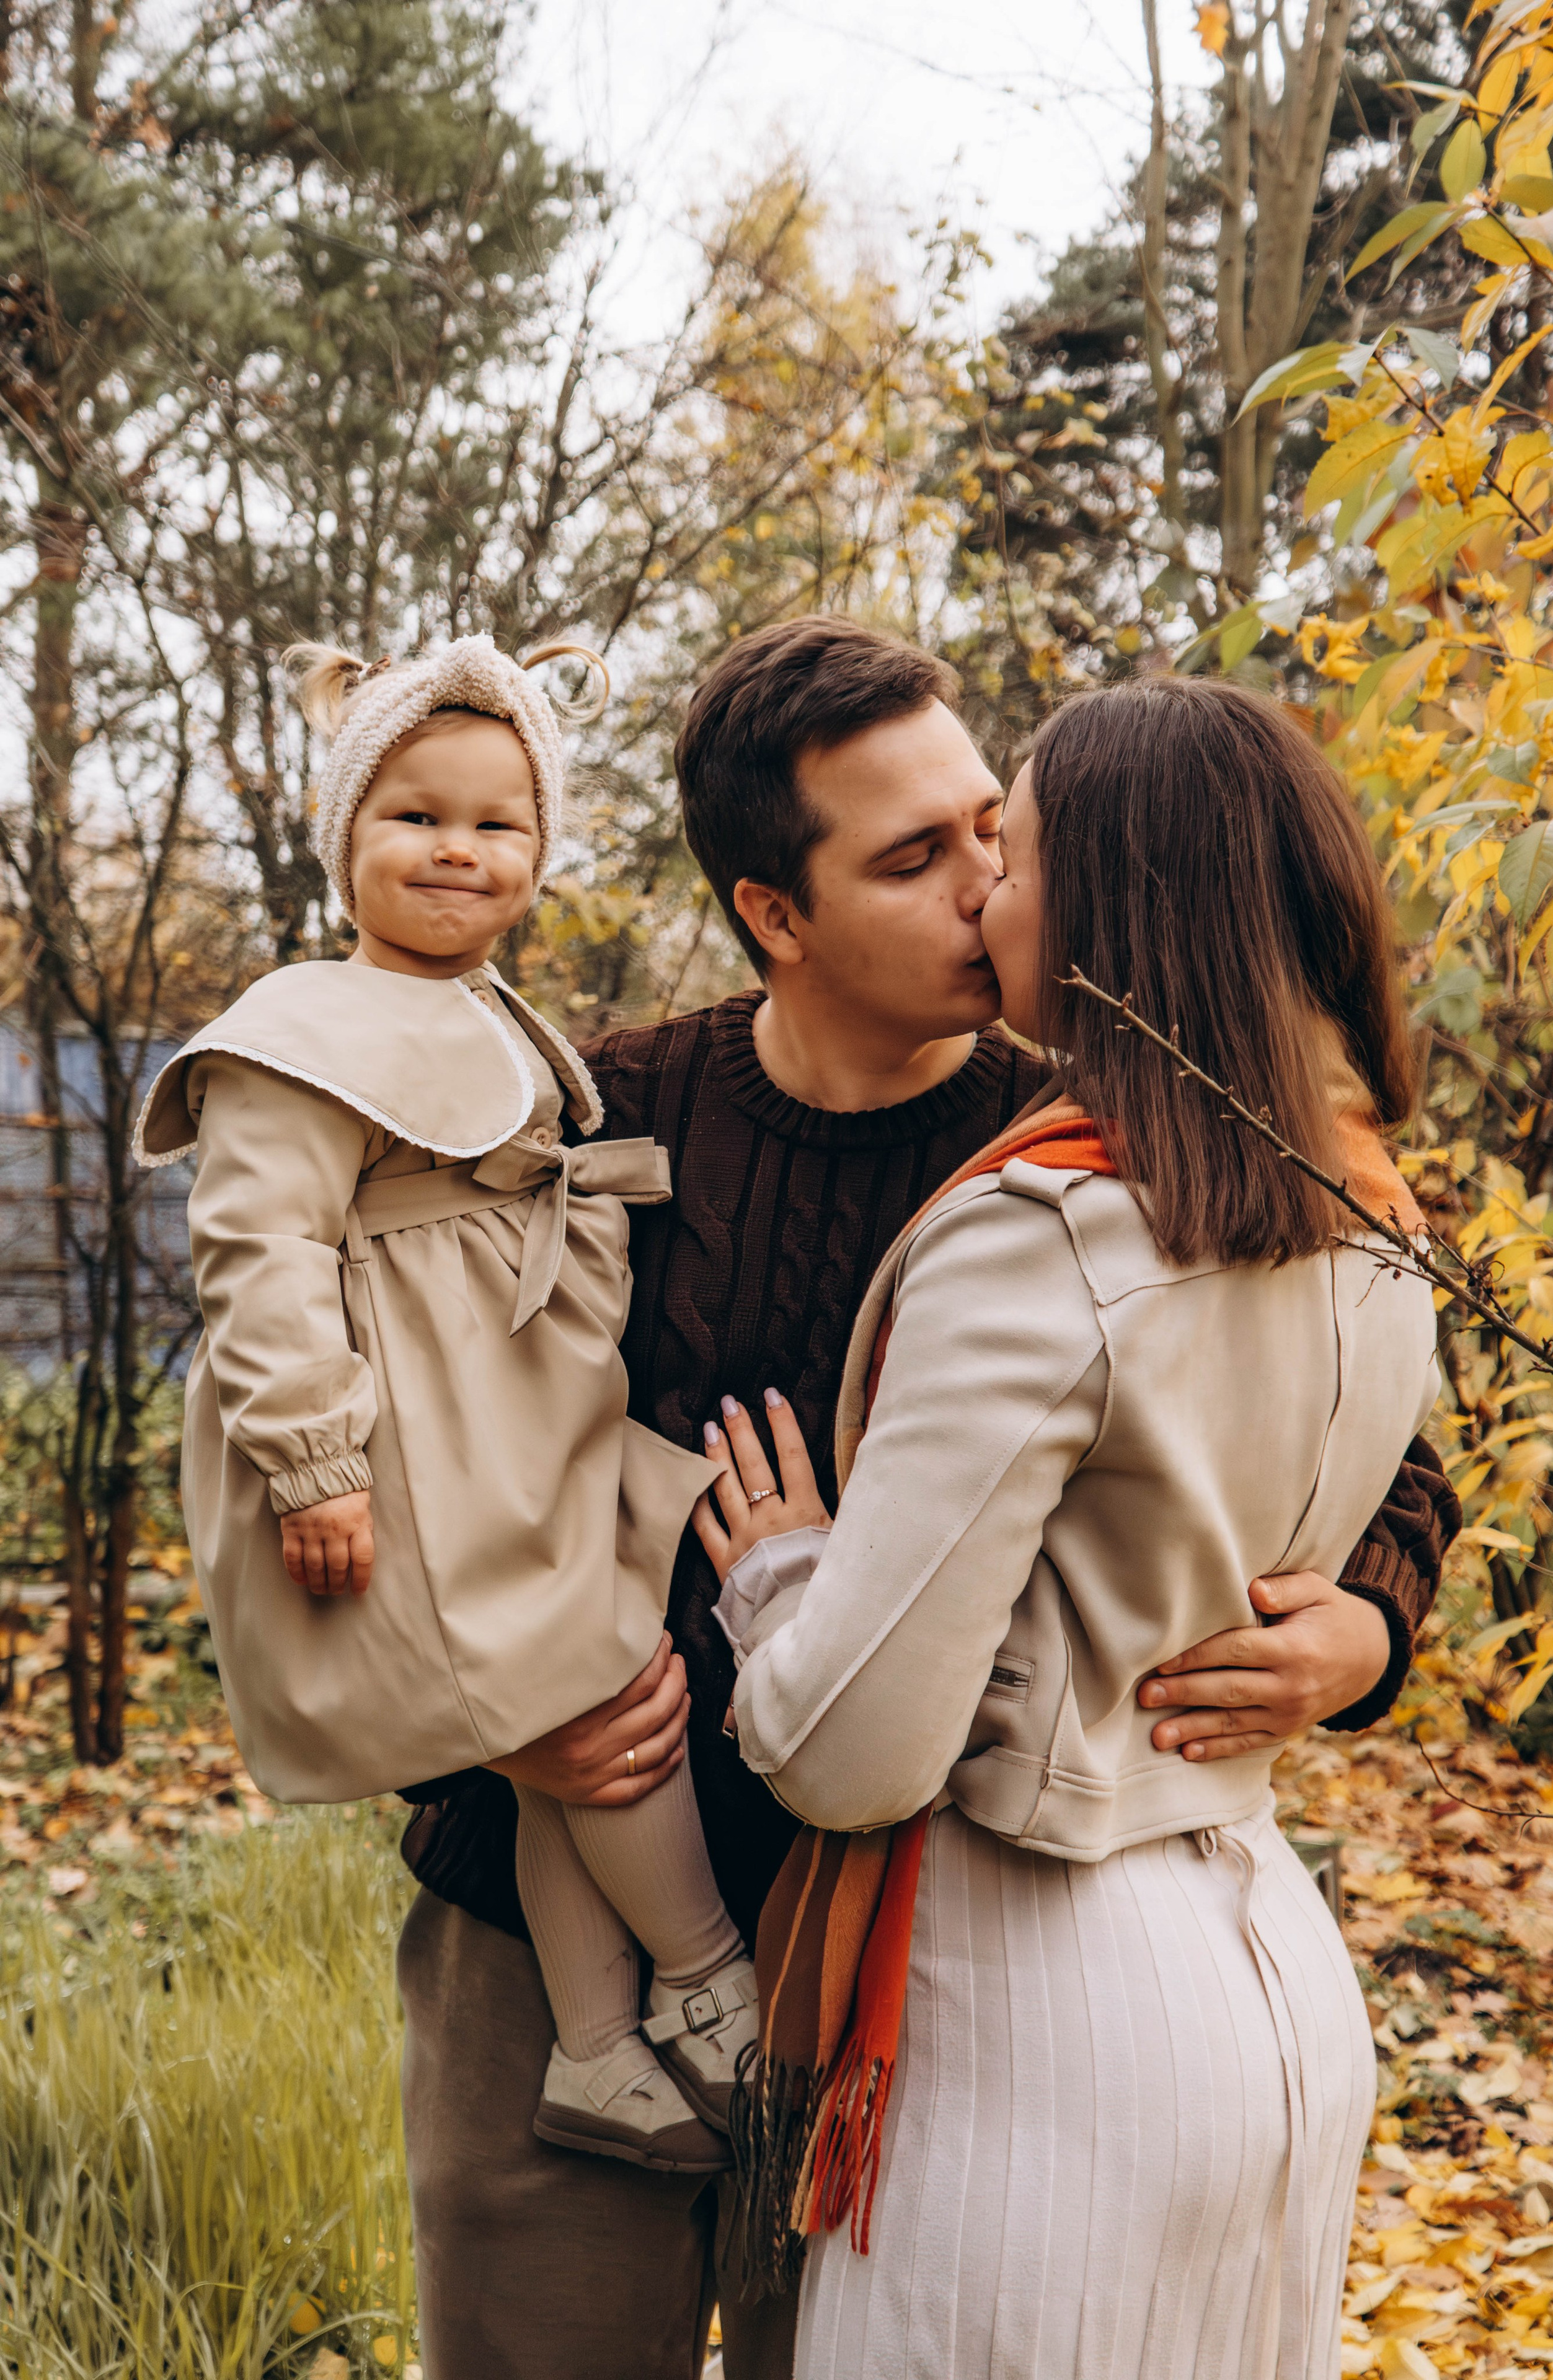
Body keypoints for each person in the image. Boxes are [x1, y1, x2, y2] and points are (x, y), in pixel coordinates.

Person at [395, 621, 1460, 2380]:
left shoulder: (1092, 1151)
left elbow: (1365, 1431)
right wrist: (491, 1725)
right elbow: (396, 1469)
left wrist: (1365, 1622)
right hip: (559, 1943)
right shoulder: (591, 1120)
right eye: (912, 859)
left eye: (991, 831)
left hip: (907, 1992)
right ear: (774, 913)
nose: (983, 891)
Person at [700, 674, 1440, 2379]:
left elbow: (854, 1752)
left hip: (1051, 2012)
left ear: (1115, 906)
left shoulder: (1048, 1238)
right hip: (1271, 1960)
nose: (984, 895)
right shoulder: (1369, 1211)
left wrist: (782, 1577)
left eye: (1011, 851)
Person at [135, 634, 757, 2180]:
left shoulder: (493, 1012)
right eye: (414, 815)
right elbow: (258, 1248)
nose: (456, 850)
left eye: (498, 823)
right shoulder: (302, 1024)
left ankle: (600, 2048)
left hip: (518, 1420)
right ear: (344, 833)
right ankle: (702, 1983)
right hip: (415, 1438)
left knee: (572, 1699)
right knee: (607, 1694)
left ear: (541, 852)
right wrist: (315, 1459)